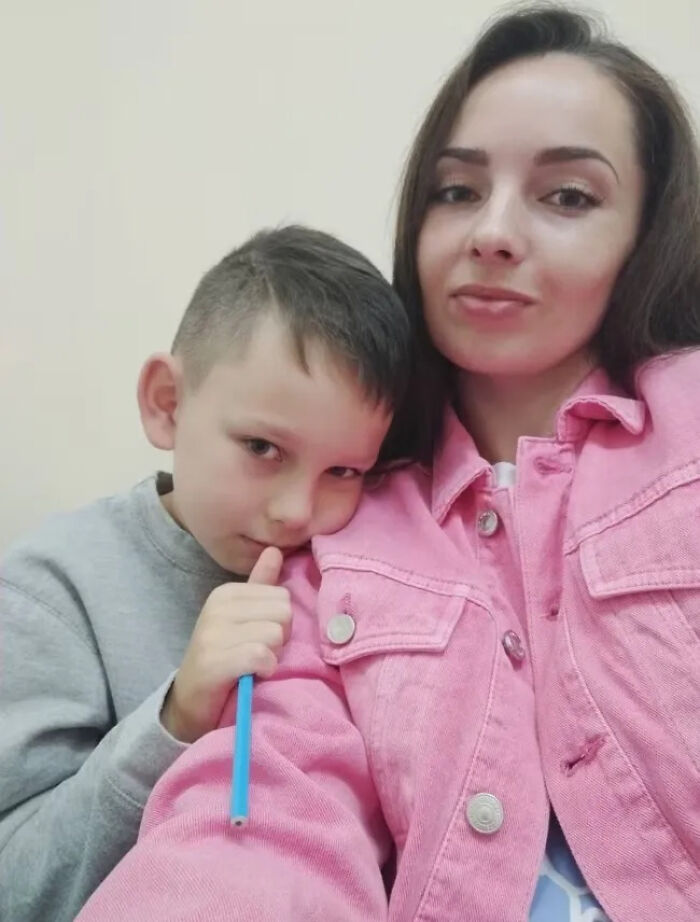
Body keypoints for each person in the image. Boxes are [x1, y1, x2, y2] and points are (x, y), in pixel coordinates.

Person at [77, 6, 700, 922]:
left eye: (567, 196)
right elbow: (268, 811)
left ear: (644, 236)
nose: (491, 232)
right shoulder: (337, 526)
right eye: (455, 191)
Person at [0, 225, 417, 922]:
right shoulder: (50, 592)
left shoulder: (352, 569)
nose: (296, 511)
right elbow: (18, 888)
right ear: (167, 402)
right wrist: (177, 715)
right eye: (262, 447)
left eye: (343, 470)